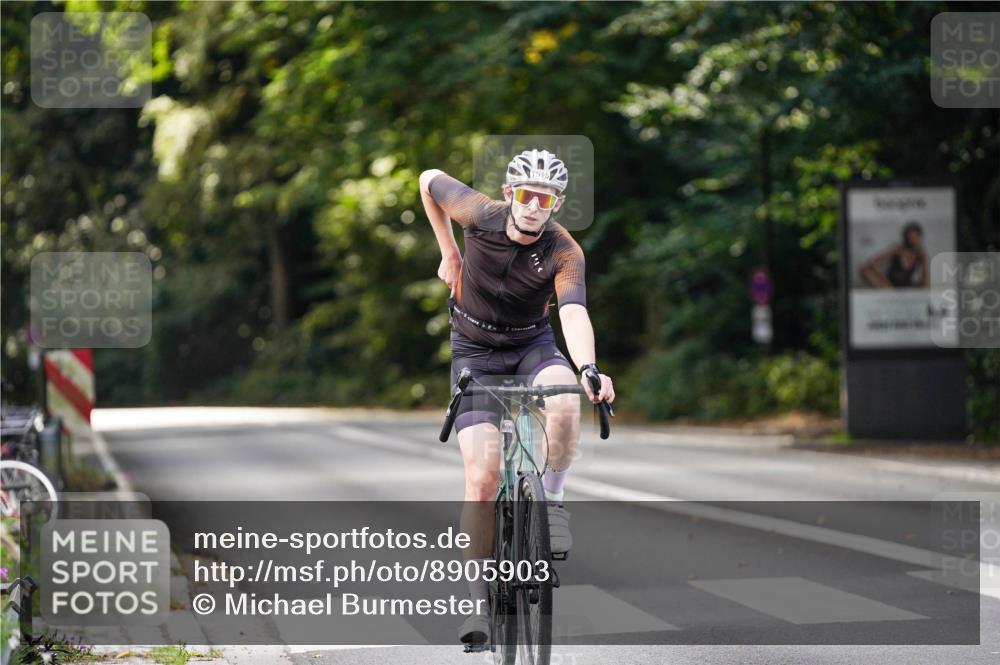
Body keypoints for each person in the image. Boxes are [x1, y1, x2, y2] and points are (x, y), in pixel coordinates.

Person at [419, 149, 615, 646]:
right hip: (475, 351)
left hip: (532, 345)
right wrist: (449, 252)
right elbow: (427, 180)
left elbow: (572, 312)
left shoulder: (564, 250)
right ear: (510, 194)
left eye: (544, 198)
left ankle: (551, 503)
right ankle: (477, 606)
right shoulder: (480, 213)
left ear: (556, 203)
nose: (533, 206)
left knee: (567, 399)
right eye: (525, 195)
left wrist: (589, 367)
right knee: (482, 479)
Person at [860, 221, 930, 289]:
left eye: (915, 237)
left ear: (919, 238)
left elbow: (925, 280)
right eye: (910, 237)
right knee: (865, 269)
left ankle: (893, 293)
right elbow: (873, 261)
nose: (912, 239)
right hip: (890, 284)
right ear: (906, 237)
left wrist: (924, 259)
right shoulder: (898, 249)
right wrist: (881, 276)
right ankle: (891, 291)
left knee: (925, 285)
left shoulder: (920, 254)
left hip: (907, 285)